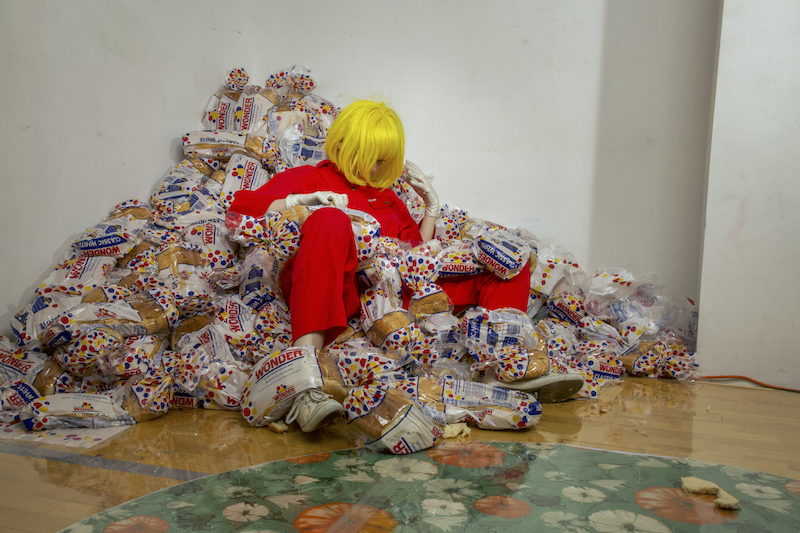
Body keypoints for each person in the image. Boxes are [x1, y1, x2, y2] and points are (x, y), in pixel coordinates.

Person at [229, 99, 563, 433]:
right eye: (371, 156)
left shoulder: (387, 197)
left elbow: (414, 255)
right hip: (341, 291)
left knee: (508, 262)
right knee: (329, 219)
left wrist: (430, 209)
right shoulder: (306, 178)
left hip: (393, 300)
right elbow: (241, 209)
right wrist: (297, 203)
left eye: (383, 160)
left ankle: (507, 366)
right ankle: (306, 381)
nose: (376, 168)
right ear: (343, 143)